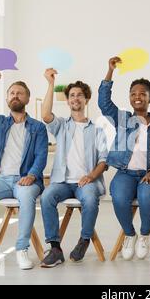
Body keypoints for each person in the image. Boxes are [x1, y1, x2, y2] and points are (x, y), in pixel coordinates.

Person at [98, 57, 150, 261]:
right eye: (133, 94)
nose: (137, 97)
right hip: (126, 174)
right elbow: (104, 103)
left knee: (147, 196)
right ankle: (130, 235)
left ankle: (145, 234)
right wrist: (110, 71)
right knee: (120, 197)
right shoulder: (123, 119)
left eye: (142, 94)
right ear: (130, 98)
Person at [0, 70, 48, 270]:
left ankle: (22, 249)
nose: (15, 95)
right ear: (7, 98)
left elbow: (41, 156)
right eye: (12, 93)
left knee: (26, 197)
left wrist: (32, 175)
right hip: (1, 179)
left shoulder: (38, 127)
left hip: (26, 180)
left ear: (27, 98)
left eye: (20, 93)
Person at [40, 68, 108, 267]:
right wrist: (50, 83)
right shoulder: (61, 125)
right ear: (68, 100)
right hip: (62, 182)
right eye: (71, 95)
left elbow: (104, 161)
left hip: (87, 181)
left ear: (86, 99)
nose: (75, 98)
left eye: (79, 95)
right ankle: (55, 248)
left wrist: (90, 176)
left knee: (89, 197)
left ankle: (84, 240)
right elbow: (45, 115)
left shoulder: (97, 130)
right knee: (46, 197)